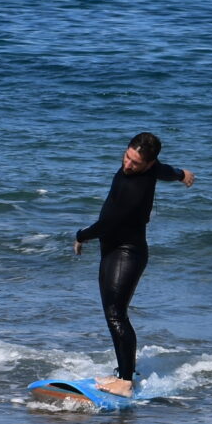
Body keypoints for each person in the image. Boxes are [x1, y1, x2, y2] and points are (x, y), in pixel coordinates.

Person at [71, 131, 194, 396]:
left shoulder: (134, 190)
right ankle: (124, 371)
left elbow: (106, 225)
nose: (127, 165)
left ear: (147, 164)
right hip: (113, 250)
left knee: (116, 314)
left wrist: (81, 236)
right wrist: (182, 174)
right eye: (127, 157)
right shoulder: (149, 169)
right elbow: (165, 170)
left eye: (135, 163)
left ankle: (125, 381)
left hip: (127, 253)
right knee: (113, 312)